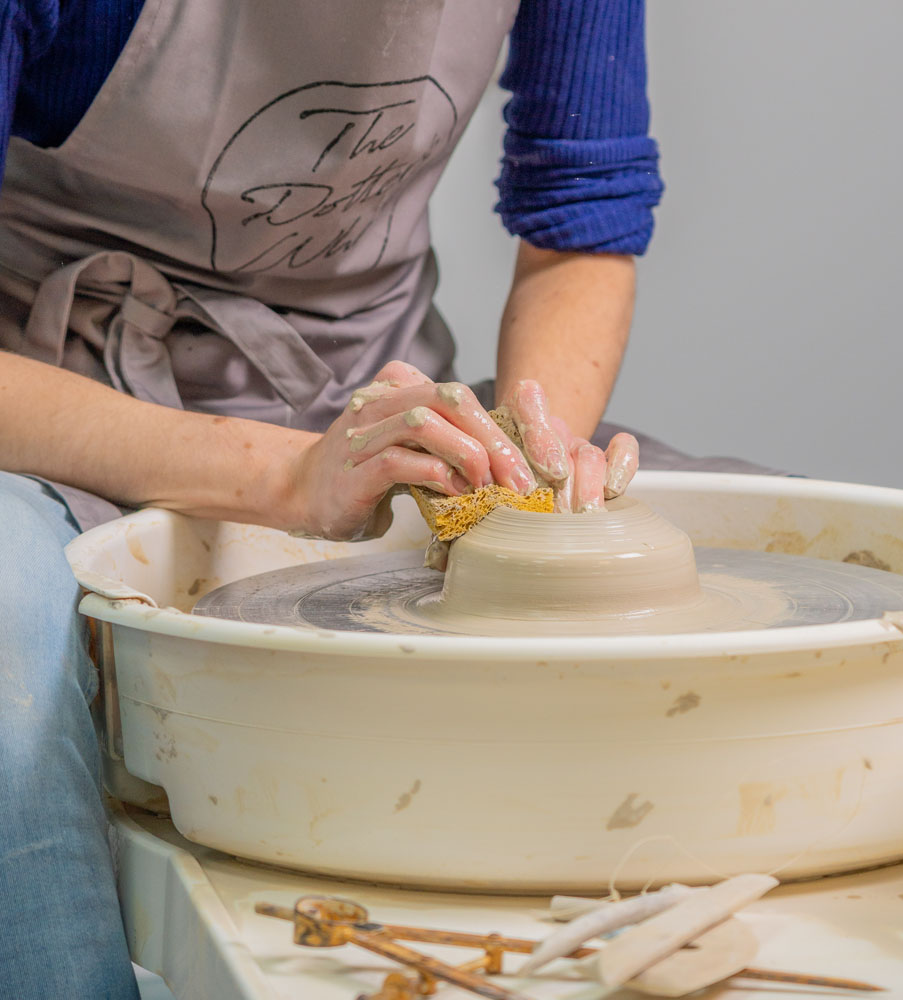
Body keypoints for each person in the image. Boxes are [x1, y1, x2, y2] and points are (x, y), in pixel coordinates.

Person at [0, 1, 668, 995]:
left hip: (380, 391)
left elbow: (580, 214)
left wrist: (527, 453)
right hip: (59, 406)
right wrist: (284, 478)